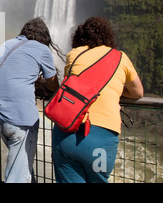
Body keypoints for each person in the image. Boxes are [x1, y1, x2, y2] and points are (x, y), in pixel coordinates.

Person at [52, 16, 144, 183]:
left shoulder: (74, 55)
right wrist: (114, 95)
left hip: (67, 136)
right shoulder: (121, 58)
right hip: (102, 141)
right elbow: (138, 92)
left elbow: (73, 88)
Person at [0, 17, 62, 183]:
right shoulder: (41, 49)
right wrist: (41, 82)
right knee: (18, 176)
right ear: (44, 37)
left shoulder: (5, 45)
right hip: (20, 119)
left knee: (22, 168)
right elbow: (53, 84)